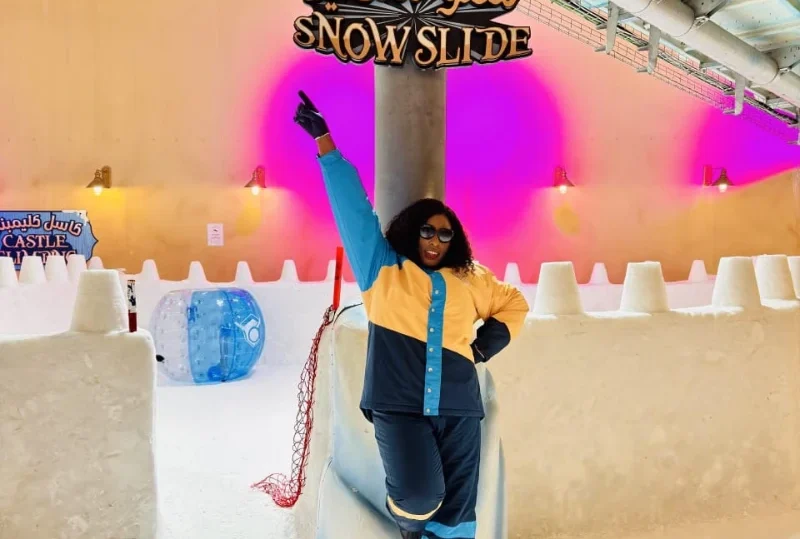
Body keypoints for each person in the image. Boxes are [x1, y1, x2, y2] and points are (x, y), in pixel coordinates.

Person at [294, 90, 529, 539]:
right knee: (418, 496)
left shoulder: (471, 277)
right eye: (427, 230)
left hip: (460, 408)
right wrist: (325, 141)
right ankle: (407, 526)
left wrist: (482, 347)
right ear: (411, 231)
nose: (436, 240)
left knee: (458, 515)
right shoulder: (383, 270)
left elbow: (514, 304)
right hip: (398, 404)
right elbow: (354, 213)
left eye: (445, 233)